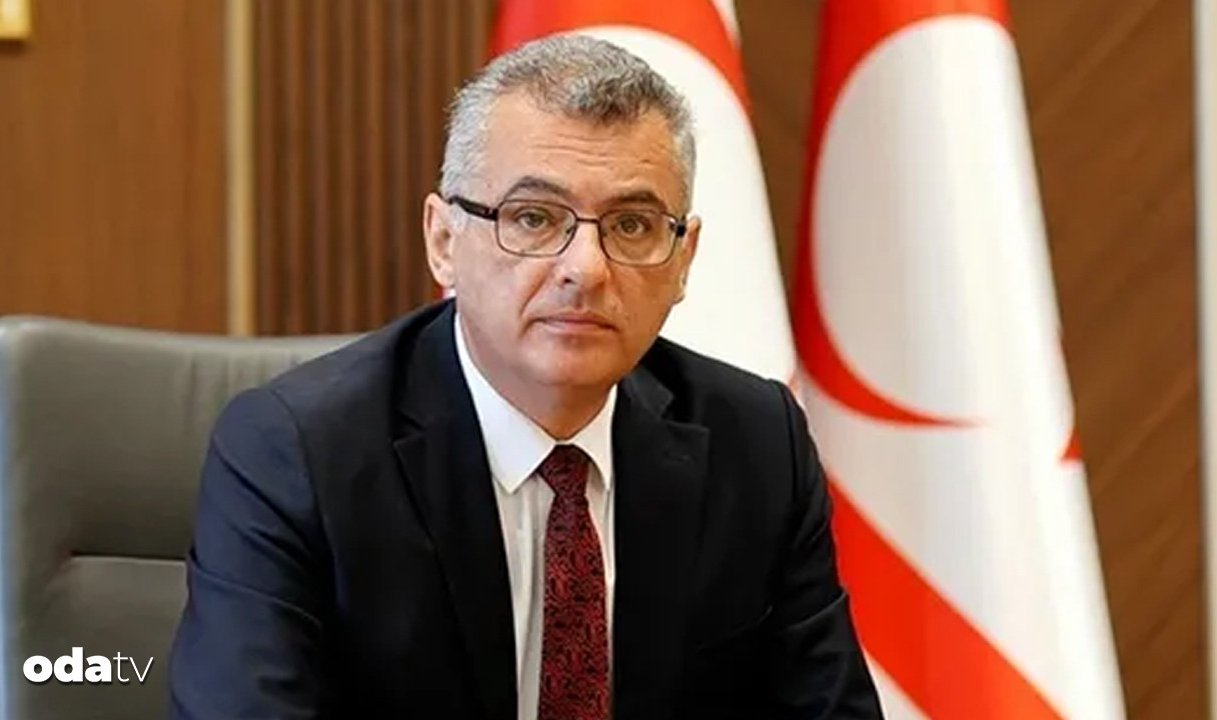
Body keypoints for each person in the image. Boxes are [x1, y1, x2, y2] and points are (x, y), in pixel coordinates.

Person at [167, 34, 882, 720]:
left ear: (682, 259)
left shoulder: (757, 446)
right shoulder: (297, 454)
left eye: (632, 225)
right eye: (535, 218)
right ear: (444, 242)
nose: (585, 269)